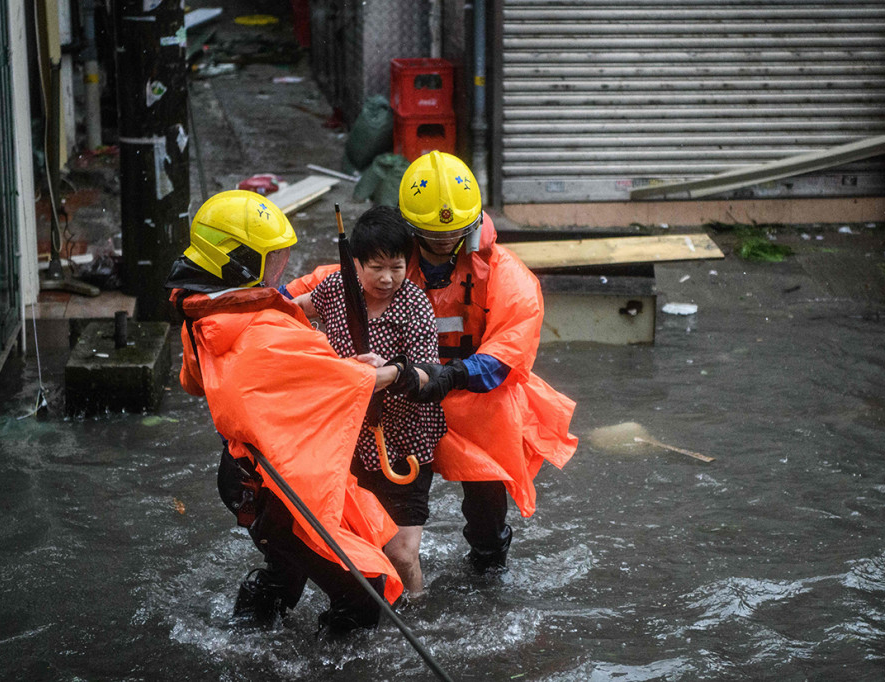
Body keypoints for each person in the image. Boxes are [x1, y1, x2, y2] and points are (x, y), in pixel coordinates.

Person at [287, 152, 578, 573]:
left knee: (486, 509)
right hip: (400, 404)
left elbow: (507, 353)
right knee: (375, 508)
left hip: (477, 403)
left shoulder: (505, 274)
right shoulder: (388, 264)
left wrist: (447, 375)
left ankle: (488, 567)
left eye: (453, 234)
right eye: (431, 235)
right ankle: (385, 569)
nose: (443, 243)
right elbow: (310, 291)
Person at [164, 189, 407, 633]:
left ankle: (245, 642)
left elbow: (195, 383)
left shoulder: (204, 317)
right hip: (274, 486)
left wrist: (337, 370)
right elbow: (328, 379)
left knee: (286, 572)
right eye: (272, 261)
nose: (281, 272)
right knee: (362, 589)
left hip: (244, 473)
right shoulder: (260, 329)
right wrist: (391, 372)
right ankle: (331, 660)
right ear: (239, 263)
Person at [292, 205, 446, 594]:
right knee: (358, 546)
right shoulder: (335, 288)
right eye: (376, 267)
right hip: (348, 440)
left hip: (405, 443)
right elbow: (296, 309)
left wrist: (389, 371)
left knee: (401, 553)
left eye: (397, 267)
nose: (387, 278)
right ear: (356, 264)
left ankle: (416, 607)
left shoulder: (415, 305)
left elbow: (428, 372)